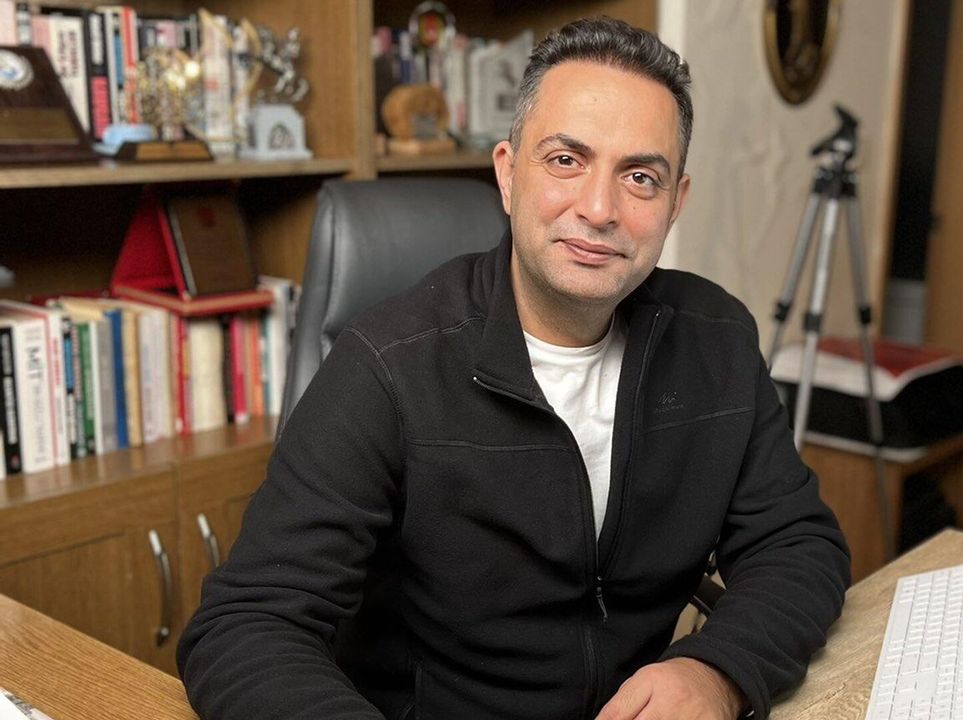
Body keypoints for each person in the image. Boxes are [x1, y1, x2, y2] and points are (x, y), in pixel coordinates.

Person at [177, 17, 851, 720]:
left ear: (675, 202)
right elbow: (246, 626)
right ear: (507, 173)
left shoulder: (717, 341)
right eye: (565, 160)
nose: (599, 209)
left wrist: (718, 672)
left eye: (640, 177)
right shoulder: (388, 365)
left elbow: (797, 544)